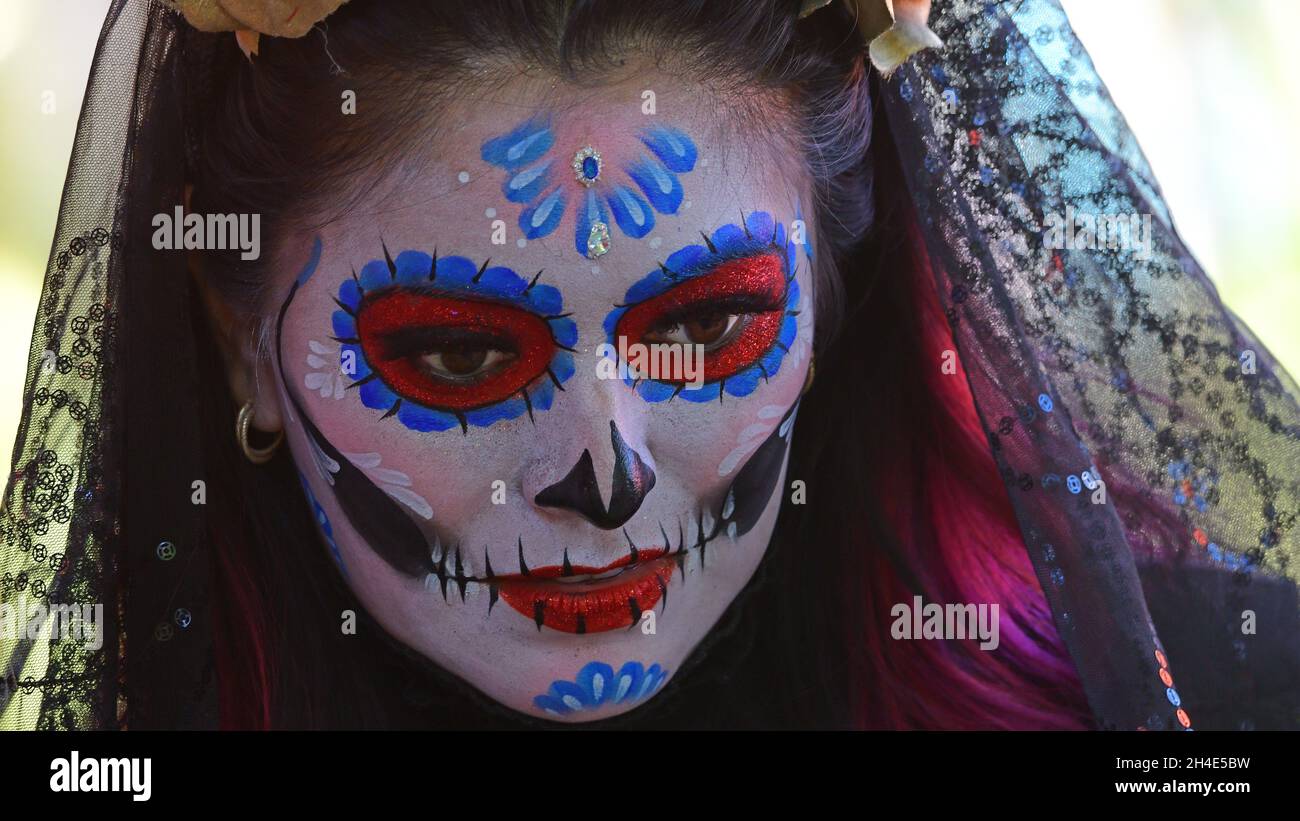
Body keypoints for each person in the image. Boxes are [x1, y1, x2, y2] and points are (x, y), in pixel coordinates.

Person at [1, 0, 1296, 730]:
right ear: (241, 351)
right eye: (457, 352)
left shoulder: (1203, 699)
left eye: (700, 328)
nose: (603, 477)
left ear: (832, 299)